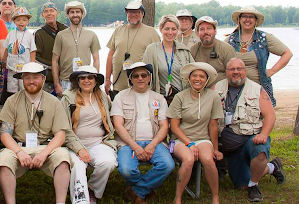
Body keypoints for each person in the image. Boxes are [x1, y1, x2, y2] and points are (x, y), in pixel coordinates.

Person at [0, 63, 72, 204]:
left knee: (63, 158)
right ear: (22, 79)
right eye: (27, 77)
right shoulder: (12, 101)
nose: (31, 81)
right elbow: (5, 134)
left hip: (44, 147)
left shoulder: (54, 102)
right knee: (4, 161)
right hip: (19, 148)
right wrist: (19, 152)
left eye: (35, 77)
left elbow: (60, 135)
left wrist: (44, 153)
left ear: (42, 78)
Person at [215, 58, 285, 202]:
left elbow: (270, 115)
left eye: (239, 69)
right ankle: (272, 167)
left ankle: (254, 185)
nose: (236, 72)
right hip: (229, 144)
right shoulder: (216, 88)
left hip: (250, 138)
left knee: (260, 151)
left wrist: (264, 134)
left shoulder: (257, 89)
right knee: (241, 185)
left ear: (245, 71)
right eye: (232, 69)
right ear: (226, 72)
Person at [111, 62, 175, 204]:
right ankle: (146, 188)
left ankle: (135, 191)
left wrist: (152, 145)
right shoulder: (120, 97)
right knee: (127, 170)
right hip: (128, 143)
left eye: (143, 75)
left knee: (167, 165)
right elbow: (118, 125)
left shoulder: (159, 99)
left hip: (154, 142)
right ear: (130, 79)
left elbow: (164, 126)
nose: (140, 78)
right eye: (136, 76)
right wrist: (136, 147)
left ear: (149, 78)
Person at [167, 62, 224, 204]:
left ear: (207, 80)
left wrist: (215, 149)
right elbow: (174, 127)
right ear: (189, 78)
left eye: (202, 76)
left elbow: (213, 125)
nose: (198, 79)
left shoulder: (213, 97)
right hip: (181, 139)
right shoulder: (180, 97)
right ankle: (178, 197)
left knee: (208, 160)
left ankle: (215, 197)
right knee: (188, 160)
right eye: (195, 76)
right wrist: (189, 143)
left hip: (202, 138)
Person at [61, 65, 118, 204]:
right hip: (75, 143)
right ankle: (81, 200)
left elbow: (111, 117)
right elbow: (63, 128)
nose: (86, 81)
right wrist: (79, 149)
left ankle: (91, 189)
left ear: (96, 80)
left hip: (99, 142)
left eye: (90, 77)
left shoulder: (102, 97)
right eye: (82, 78)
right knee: (78, 167)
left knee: (108, 162)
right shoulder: (67, 99)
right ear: (77, 81)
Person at [226, 6, 292, 106]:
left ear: (256, 20)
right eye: (244, 16)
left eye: (251, 17)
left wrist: (272, 71)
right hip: (235, 88)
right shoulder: (230, 40)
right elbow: (219, 58)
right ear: (239, 19)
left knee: (263, 117)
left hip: (260, 87)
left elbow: (287, 53)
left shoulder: (264, 38)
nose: (247, 19)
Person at [105, 0, 160, 98]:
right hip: (118, 84)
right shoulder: (118, 30)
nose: (133, 14)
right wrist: (108, 79)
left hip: (141, 85)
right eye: (130, 12)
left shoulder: (151, 32)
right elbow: (110, 55)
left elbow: (158, 58)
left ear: (142, 14)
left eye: (136, 12)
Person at [52, 1, 101, 96]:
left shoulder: (91, 35)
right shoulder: (61, 35)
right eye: (72, 12)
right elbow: (54, 61)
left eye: (78, 12)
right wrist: (57, 84)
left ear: (82, 14)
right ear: (68, 15)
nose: (75, 15)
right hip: (66, 81)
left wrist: (95, 81)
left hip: (85, 81)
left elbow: (96, 59)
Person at [143, 15, 194, 104]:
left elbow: (193, 73)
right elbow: (144, 74)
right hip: (159, 99)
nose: (170, 32)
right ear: (161, 29)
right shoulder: (152, 49)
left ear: (178, 30)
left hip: (182, 99)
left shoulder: (184, 51)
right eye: (167, 29)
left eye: (173, 29)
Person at [1, 7, 37, 103]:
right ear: (14, 21)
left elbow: (32, 51)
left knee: (24, 88)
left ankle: (25, 105)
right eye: (18, 20)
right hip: (12, 68)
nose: (21, 22)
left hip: (24, 69)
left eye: (24, 20)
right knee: (12, 90)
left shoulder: (29, 35)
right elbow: (6, 49)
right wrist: (3, 60)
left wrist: (32, 65)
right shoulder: (11, 34)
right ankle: (14, 106)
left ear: (28, 21)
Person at [190, 16, 236, 83]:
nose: (206, 32)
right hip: (199, 89)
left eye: (209, 28)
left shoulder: (227, 49)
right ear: (197, 33)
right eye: (202, 29)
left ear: (215, 31)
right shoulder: (193, 50)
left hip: (223, 89)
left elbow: (234, 74)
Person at [35, 1, 68, 95]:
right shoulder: (39, 34)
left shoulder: (66, 30)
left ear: (57, 13)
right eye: (46, 11)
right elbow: (36, 57)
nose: (49, 13)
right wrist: (54, 66)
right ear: (42, 15)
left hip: (66, 76)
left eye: (52, 10)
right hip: (48, 78)